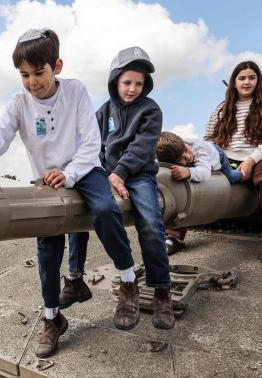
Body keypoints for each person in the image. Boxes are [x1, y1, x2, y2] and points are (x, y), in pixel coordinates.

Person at [0, 28, 137, 358]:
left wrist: (70, 173)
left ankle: (128, 281)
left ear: (56, 66)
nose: (32, 82)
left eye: (39, 72)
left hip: (83, 169)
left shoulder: (75, 91)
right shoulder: (19, 104)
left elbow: (90, 143)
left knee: (104, 210)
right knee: (47, 249)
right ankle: (52, 318)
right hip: (45, 181)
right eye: (24, 75)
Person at [67, 46, 175, 331]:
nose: (133, 89)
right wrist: (101, 172)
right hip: (106, 173)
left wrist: (121, 173)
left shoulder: (151, 110)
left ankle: (162, 290)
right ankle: (78, 276)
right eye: (127, 82)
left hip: (138, 175)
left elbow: (142, 147)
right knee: (78, 207)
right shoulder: (103, 112)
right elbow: (92, 145)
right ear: (115, 80)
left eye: (139, 84)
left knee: (151, 223)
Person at [168, 61, 262, 267]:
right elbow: (210, 138)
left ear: (258, 80)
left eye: (251, 77)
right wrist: (210, 158)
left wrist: (251, 160)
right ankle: (174, 234)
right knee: (192, 172)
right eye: (241, 78)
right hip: (225, 156)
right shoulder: (222, 108)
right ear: (234, 82)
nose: (246, 82)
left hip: (257, 156)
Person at [156, 131, 245, 254]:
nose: (186, 157)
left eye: (185, 151)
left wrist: (189, 172)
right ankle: (174, 235)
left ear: (184, 144)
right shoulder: (171, 151)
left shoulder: (199, 149)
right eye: (180, 159)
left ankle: (241, 173)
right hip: (196, 163)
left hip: (216, 156)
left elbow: (204, 172)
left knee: (229, 178)